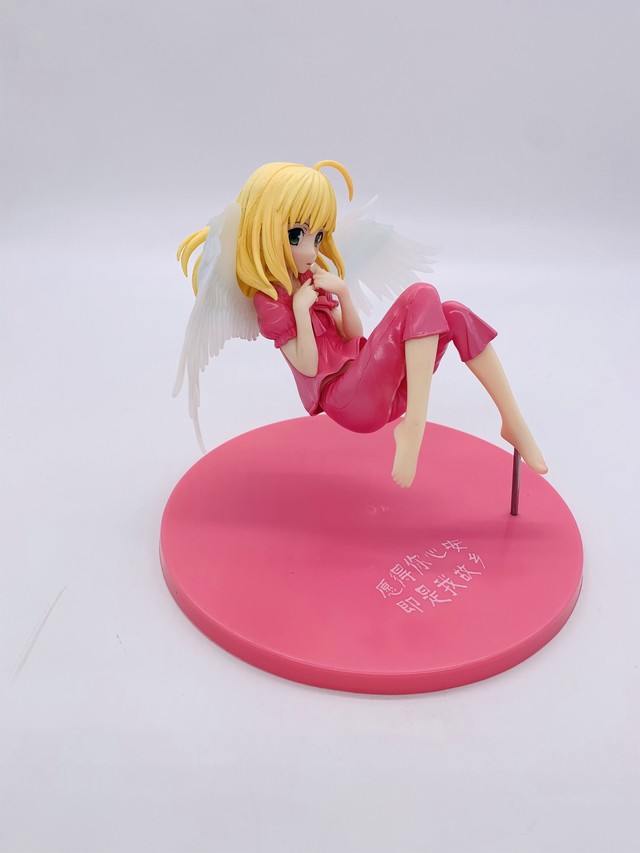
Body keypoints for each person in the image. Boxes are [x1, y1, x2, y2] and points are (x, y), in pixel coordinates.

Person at [177, 160, 547, 488]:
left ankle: (513, 422)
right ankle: (414, 427)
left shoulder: (311, 277)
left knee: (454, 313)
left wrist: (343, 293)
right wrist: (301, 311)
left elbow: (353, 335)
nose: (311, 249)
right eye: (296, 235)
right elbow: (307, 366)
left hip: (380, 389)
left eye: (318, 237)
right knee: (421, 295)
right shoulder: (270, 300)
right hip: (349, 400)